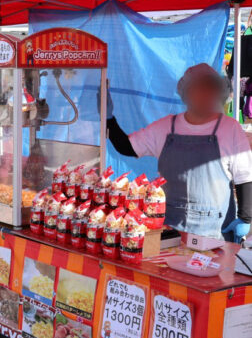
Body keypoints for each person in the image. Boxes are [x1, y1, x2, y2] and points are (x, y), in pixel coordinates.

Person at [107, 63, 252, 241]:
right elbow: (127, 147)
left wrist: (245, 218)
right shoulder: (166, 126)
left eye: (209, 89)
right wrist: (109, 119)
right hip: (169, 229)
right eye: (197, 89)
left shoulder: (230, 128)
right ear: (185, 93)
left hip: (215, 232)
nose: (204, 95)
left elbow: (245, 176)